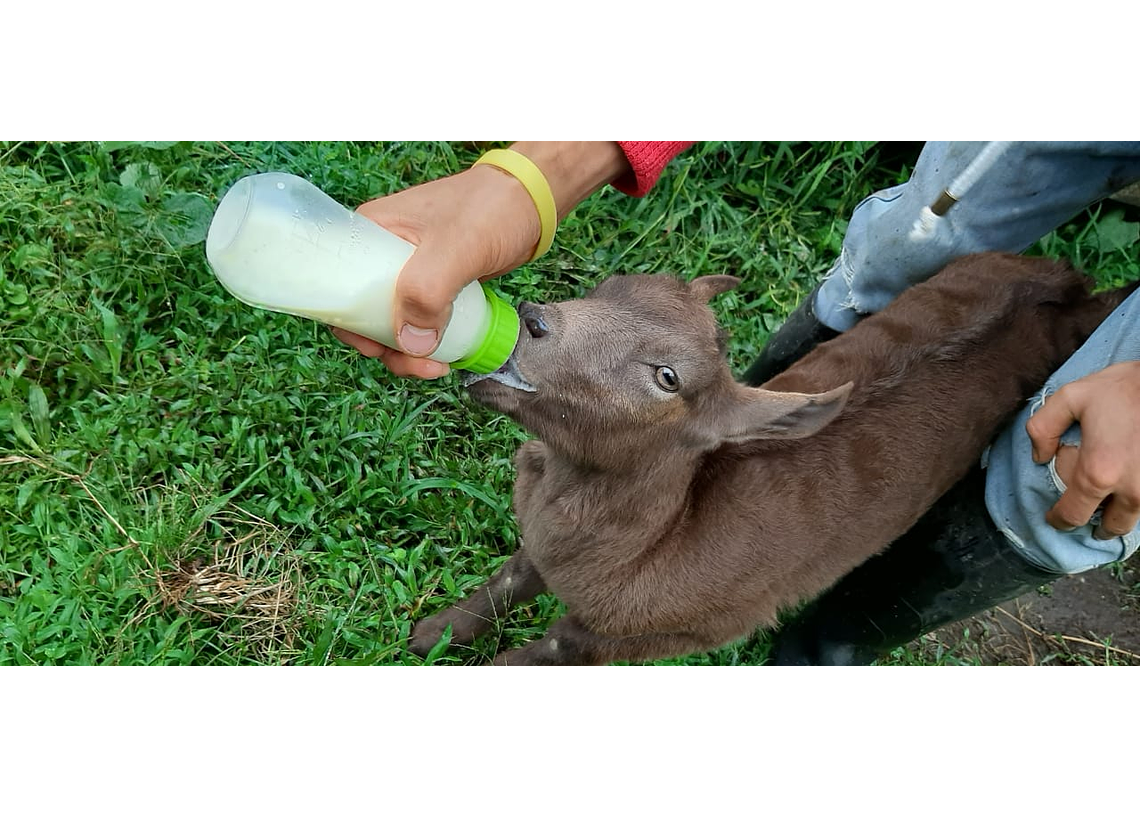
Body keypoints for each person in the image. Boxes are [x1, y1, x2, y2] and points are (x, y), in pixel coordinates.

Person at [332, 141, 1140, 665]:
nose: (541, 318)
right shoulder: (551, 454)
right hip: (961, 288)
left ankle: (823, 647)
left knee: (1066, 474)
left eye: (662, 377)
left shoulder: (658, 592)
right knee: (915, 244)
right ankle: (507, 589)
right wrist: (538, 174)